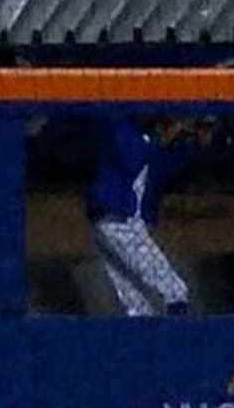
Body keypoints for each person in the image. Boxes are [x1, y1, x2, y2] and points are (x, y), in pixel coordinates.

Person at [84, 114, 210, 317]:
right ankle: (179, 341)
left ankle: (142, 343)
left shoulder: (148, 149)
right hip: (121, 223)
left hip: (105, 224)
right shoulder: (129, 136)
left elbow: (167, 165)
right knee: (175, 291)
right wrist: (176, 132)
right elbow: (145, 149)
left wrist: (190, 142)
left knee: (136, 304)